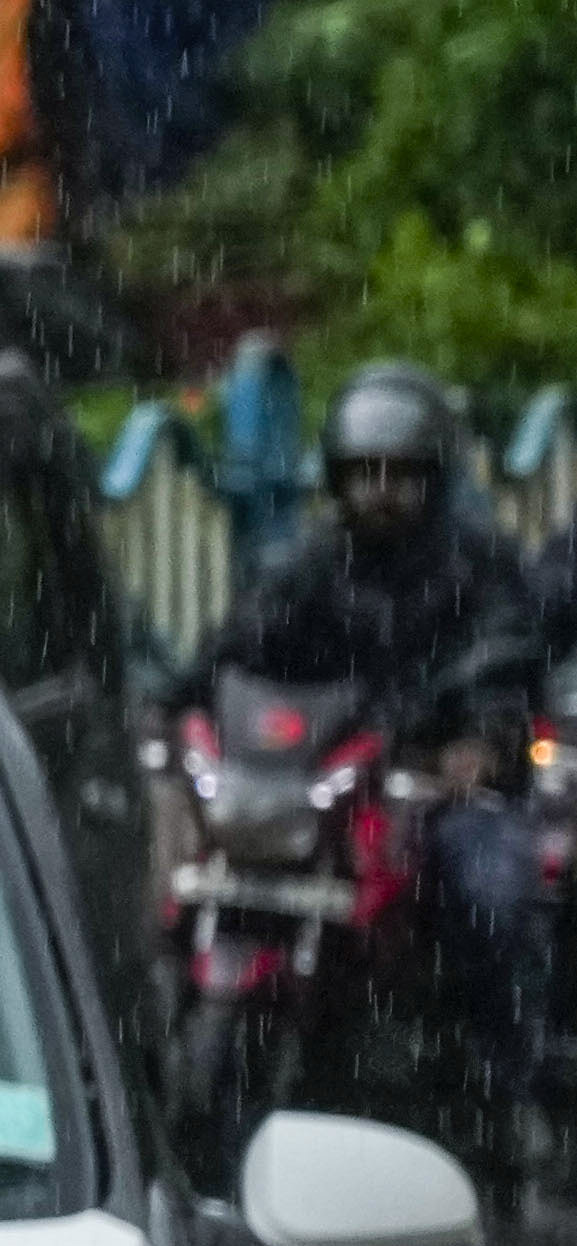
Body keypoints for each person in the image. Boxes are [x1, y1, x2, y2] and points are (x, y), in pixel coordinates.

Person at [212, 355, 553, 1104]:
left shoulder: (480, 565)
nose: (379, 490)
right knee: (228, 883)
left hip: (438, 791)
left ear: (432, 475)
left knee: (489, 892)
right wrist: (182, 707)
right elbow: (240, 646)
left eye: (398, 472)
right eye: (362, 471)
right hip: (325, 784)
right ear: (335, 476)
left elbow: (505, 656)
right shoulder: (307, 563)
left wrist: (480, 740)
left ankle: (510, 1089)